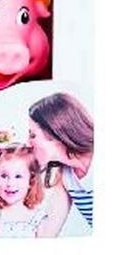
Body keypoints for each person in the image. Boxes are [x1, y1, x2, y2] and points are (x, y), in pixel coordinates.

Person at [28, 92, 94, 234]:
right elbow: (48, 230)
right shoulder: (66, 176)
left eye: (32, 135)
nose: (28, 143)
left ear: (53, 133)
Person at [0, 145, 52, 237]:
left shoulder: (38, 217)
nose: (10, 183)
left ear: (31, 181)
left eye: (18, 176)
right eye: (4, 176)